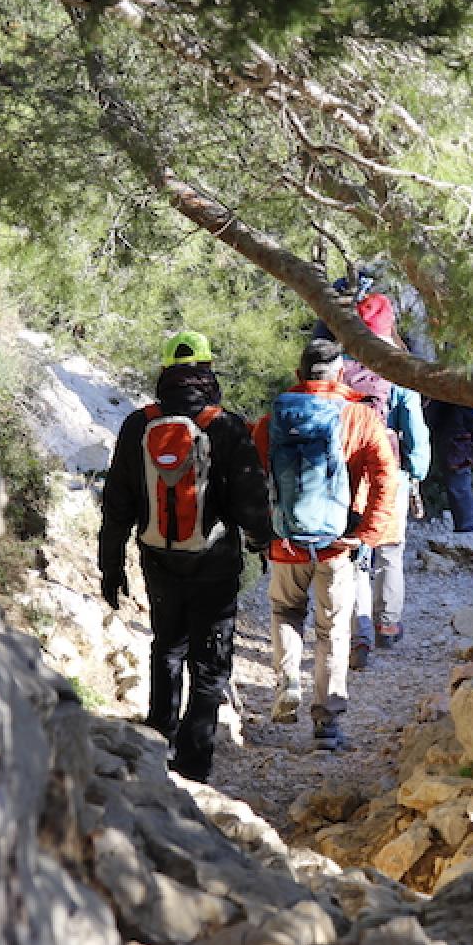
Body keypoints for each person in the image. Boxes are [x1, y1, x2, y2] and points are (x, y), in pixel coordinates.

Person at [97, 329, 274, 783]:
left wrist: (111, 566)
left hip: (157, 559)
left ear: (165, 373)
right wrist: (260, 542)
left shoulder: (138, 425)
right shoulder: (227, 426)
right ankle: (194, 767)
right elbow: (251, 500)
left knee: (167, 648)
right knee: (210, 663)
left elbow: (118, 502)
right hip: (214, 564)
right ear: (208, 372)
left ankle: (158, 742)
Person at [251, 339, 396, 750]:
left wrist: (263, 529)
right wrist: (368, 532)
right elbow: (385, 475)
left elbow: (253, 472)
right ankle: (326, 725)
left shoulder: (275, 417)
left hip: (285, 543)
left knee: (285, 610)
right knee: (331, 630)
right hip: (337, 544)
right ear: (339, 374)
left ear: (299, 374)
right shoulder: (360, 417)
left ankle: (287, 681)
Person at [339, 294, 432, 669]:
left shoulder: (340, 369)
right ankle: (388, 625)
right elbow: (415, 430)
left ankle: (359, 631)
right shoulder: (399, 372)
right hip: (389, 469)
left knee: (356, 553)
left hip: (349, 470)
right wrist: (416, 473)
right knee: (390, 551)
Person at [423, 399, 473, 533]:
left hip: (457, 432)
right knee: (459, 481)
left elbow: (469, 398)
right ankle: (468, 529)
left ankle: (468, 530)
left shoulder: (458, 385)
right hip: (454, 430)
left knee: (458, 482)